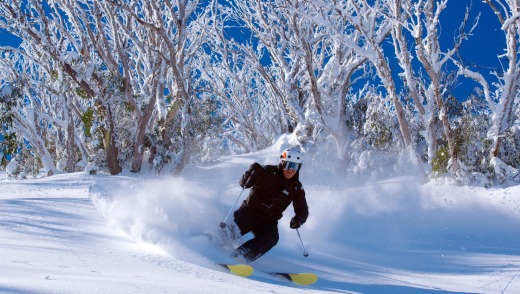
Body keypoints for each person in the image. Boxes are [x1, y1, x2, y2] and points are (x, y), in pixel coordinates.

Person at [229, 148, 309, 262]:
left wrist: (299, 219)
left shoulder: (296, 188)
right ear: (283, 163)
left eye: (294, 166)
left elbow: (302, 209)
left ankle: (241, 257)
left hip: (268, 220)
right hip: (249, 212)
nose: (290, 170)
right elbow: (244, 184)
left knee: (271, 238)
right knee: (230, 232)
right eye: (288, 165)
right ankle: (206, 243)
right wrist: (250, 172)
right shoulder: (267, 171)